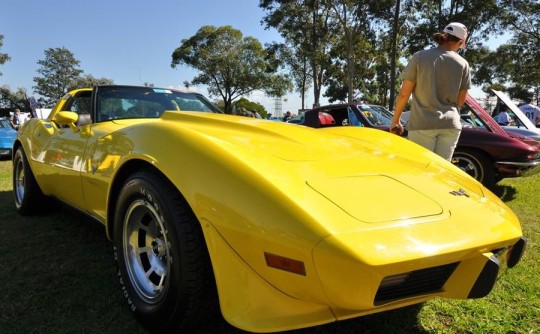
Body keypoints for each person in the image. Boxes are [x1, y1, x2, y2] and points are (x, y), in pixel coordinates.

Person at [391, 22, 471, 161]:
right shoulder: (463, 63)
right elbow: (460, 101)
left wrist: (396, 121)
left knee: (421, 171)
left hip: (422, 124)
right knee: (441, 171)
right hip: (450, 125)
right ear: (460, 42)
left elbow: (404, 94)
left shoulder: (419, 57)